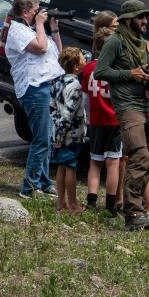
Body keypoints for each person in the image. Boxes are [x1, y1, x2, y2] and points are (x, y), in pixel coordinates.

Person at [93, 0, 149, 231]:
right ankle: (133, 214)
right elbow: (100, 71)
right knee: (138, 157)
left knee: (148, 157)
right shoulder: (114, 42)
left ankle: (139, 209)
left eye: (146, 17)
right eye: (140, 17)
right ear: (128, 19)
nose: (145, 21)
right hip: (128, 107)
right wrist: (130, 74)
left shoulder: (139, 43)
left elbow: (144, 70)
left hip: (145, 105)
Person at [4, 0, 63, 200]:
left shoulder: (33, 30)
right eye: (37, 9)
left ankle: (45, 182)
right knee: (41, 140)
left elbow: (57, 54)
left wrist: (53, 29)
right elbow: (40, 48)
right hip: (34, 88)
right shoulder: (18, 30)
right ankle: (28, 188)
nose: (40, 13)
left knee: (48, 138)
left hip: (47, 86)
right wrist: (40, 25)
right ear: (27, 12)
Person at [82, 12, 122, 216]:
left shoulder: (88, 69)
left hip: (96, 121)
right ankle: (111, 204)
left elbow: (86, 98)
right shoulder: (117, 69)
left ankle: (91, 201)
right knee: (113, 162)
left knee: (95, 162)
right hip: (115, 120)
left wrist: (87, 118)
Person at [50, 47, 87, 215]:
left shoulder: (56, 81)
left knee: (61, 167)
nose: (85, 60)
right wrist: (61, 134)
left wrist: (56, 131)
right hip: (69, 135)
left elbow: (52, 108)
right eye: (82, 59)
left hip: (57, 131)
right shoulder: (76, 86)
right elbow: (68, 114)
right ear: (76, 67)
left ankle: (61, 203)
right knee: (71, 167)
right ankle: (73, 205)